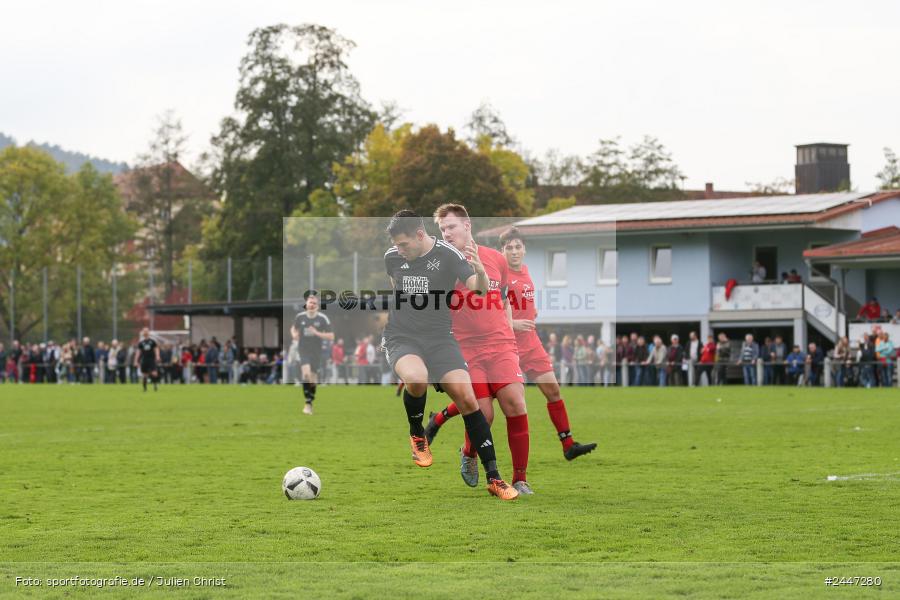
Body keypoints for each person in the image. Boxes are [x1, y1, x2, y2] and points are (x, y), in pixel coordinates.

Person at [428, 226, 596, 467]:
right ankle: (450, 431)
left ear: (525, 249)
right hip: (502, 344)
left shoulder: (526, 273)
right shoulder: (494, 271)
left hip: (530, 342)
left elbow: (514, 303)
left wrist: (530, 314)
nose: (515, 251)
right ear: (502, 251)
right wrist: (512, 323)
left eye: (518, 247)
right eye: (509, 248)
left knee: (553, 391)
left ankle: (568, 444)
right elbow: (491, 305)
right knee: (484, 405)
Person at [381, 210, 517, 500]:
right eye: (397, 246)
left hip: (440, 340)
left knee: (469, 399)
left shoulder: (449, 255)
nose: (400, 251)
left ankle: (494, 478)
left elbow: (478, 291)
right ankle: (418, 434)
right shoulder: (392, 257)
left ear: (420, 235)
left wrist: (480, 271)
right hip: (402, 338)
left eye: (404, 244)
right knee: (416, 379)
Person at [422, 205, 532, 495]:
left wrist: (509, 334)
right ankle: (469, 454)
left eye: (451, 227)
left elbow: (506, 299)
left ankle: (520, 478)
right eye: (442, 230)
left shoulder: (496, 258)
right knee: (484, 413)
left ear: (467, 225)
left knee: (516, 405)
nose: (446, 233)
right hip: (465, 347)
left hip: (501, 344)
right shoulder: (441, 265)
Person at [291, 292, 334, 415]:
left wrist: (317, 333)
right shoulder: (300, 317)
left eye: (314, 303)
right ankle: (308, 403)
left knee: (313, 380)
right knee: (306, 375)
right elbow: (294, 328)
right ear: (306, 304)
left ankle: (310, 399)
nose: (312, 305)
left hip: (317, 352)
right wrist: (294, 334)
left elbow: (331, 336)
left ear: (317, 306)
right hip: (303, 349)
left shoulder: (322, 318)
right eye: (310, 302)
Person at [134, 328, 160, 392]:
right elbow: (138, 352)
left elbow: (156, 349)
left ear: (148, 332)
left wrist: (157, 356)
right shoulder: (141, 342)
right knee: (144, 375)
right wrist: (136, 360)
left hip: (151, 359)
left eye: (146, 331)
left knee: (154, 373)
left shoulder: (152, 341)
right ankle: (145, 389)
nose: (145, 332)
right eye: (144, 331)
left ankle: (155, 385)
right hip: (144, 360)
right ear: (143, 333)